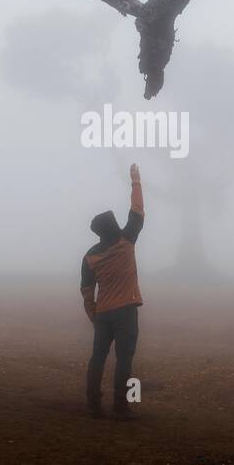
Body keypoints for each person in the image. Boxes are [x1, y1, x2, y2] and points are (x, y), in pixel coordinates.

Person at [80, 163, 145, 419]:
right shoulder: (126, 240)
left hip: (104, 313)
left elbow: (86, 289)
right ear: (114, 226)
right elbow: (137, 210)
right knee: (124, 359)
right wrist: (136, 181)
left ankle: (93, 404)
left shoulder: (90, 256)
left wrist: (93, 315)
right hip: (126, 311)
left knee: (98, 357)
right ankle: (120, 406)